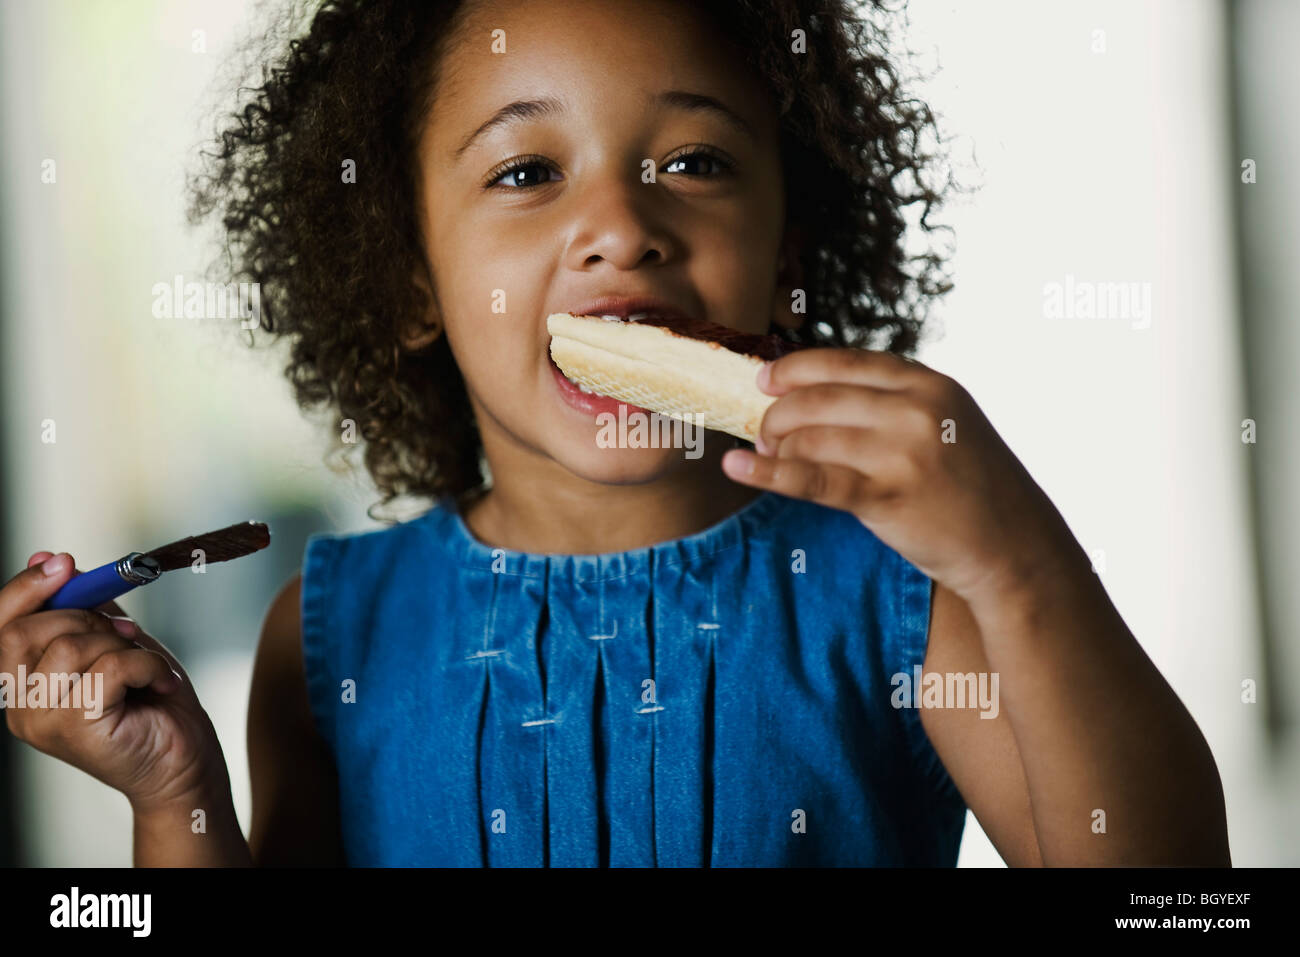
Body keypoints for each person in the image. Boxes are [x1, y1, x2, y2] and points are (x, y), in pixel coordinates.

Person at [1, 0, 1230, 866]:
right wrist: (176, 799)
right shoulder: (330, 636)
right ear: (412, 277)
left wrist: (1019, 565)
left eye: (693, 159)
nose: (620, 226)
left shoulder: (907, 595)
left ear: (788, 258)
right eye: (527, 173)